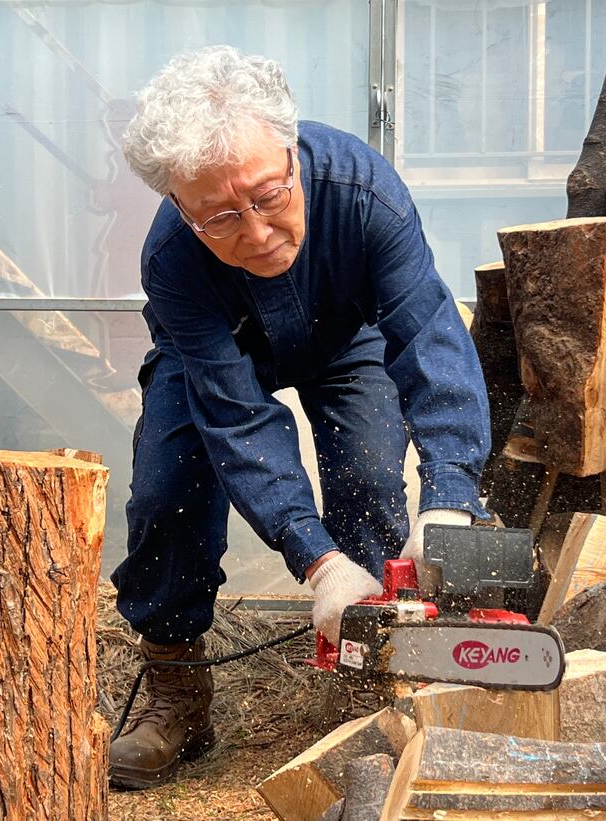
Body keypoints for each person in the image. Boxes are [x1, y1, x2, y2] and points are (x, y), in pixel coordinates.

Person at [109, 45, 491, 789]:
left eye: (268, 196)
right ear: (182, 208)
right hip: (213, 356)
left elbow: (429, 337)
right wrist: (317, 560)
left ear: (289, 149)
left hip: (346, 339)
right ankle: (177, 688)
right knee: (164, 491)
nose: (255, 233)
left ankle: (370, 680)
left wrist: (450, 496)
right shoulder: (171, 259)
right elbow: (238, 418)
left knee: (368, 477)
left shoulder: (365, 193)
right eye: (221, 216)